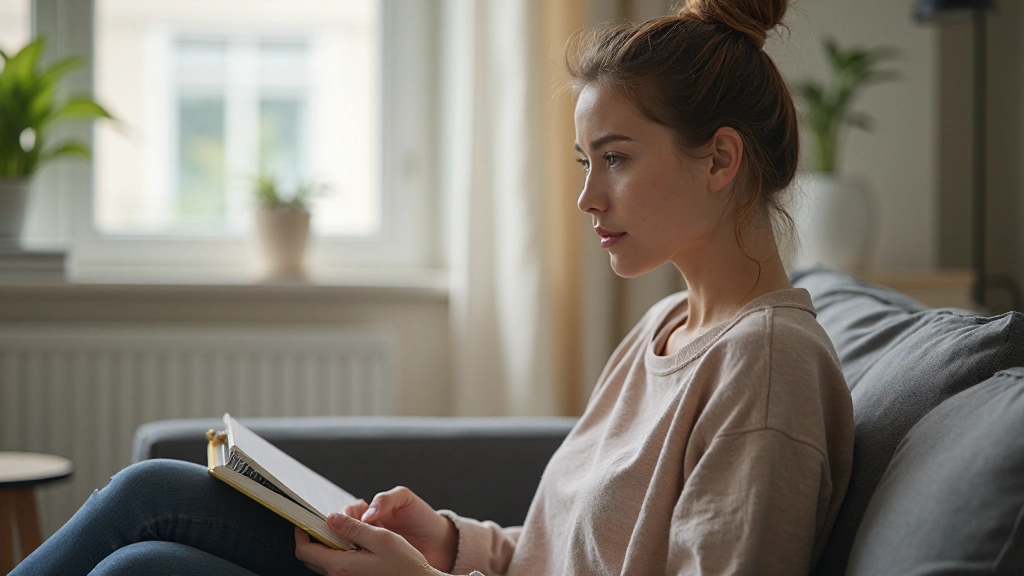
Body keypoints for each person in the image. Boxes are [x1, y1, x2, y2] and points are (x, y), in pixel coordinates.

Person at [13, 0, 853, 574]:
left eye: (618, 158)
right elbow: (563, 551)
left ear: (720, 158)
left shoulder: (766, 367)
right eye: (584, 162)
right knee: (145, 556)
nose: (587, 198)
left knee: (151, 510)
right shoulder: (667, 328)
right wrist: (451, 541)